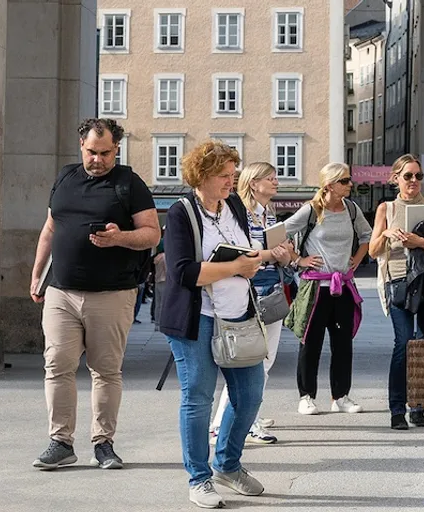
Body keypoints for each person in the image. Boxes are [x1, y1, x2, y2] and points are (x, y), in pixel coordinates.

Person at [30, 118, 160, 471]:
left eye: (105, 153)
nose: (98, 160)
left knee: (105, 371)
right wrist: (37, 271)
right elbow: (50, 228)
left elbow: (151, 234)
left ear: (116, 149)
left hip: (112, 294)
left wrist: (120, 237)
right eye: (91, 152)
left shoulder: (130, 184)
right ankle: (60, 441)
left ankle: (103, 444)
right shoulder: (65, 178)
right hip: (61, 291)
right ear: (81, 146)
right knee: (56, 365)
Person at [160, 141, 271, 508]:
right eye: (224, 175)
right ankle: (200, 478)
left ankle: (228, 464)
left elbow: (244, 246)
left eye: (232, 174)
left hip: (238, 314)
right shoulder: (180, 213)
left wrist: (256, 257)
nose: (231, 181)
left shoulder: (234, 205)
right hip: (197, 320)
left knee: (250, 395)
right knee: (198, 399)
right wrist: (236, 267)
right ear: (202, 175)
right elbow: (181, 272)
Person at [207, 162, 296, 446]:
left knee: (264, 361)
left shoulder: (268, 216)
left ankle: (240, 419)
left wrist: (285, 256)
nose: (276, 182)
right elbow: (246, 253)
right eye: (270, 178)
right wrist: (272, 254)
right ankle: (228, 424)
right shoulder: (239, 215)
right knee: (246, 361)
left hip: (271, 295)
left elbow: (281, 255)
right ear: (253, 183)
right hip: (247, 296)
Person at [284, 162, 372, 416]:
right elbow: (281, 233)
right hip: (315, 286)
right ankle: (306, 396)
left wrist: (357, 258)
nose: (350, 184)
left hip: (342, 285)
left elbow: (366, 236)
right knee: (310, 343)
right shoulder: (310, 211)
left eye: (349, 180)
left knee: (343, 344)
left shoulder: (352, 210)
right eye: (344, 181)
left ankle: (340, 396)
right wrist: (298, 260)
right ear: (329, 185)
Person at [368, 154, 424, 430]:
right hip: (398, 279)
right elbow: (373, 250)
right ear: (395, 178)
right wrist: (387, 235)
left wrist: (419, 241)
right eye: (408, 176)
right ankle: (397, 409)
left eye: (418, 176)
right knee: (404, 343)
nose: (414, 181)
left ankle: (419, 406)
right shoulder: (386, 209)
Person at [152, 233, 166, 329]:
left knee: (158, 303)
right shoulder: (167, 257)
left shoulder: (156, 258)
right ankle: (163, 323)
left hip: (157, 281)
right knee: (165, 304)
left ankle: (157, 323)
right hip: (166, 281)